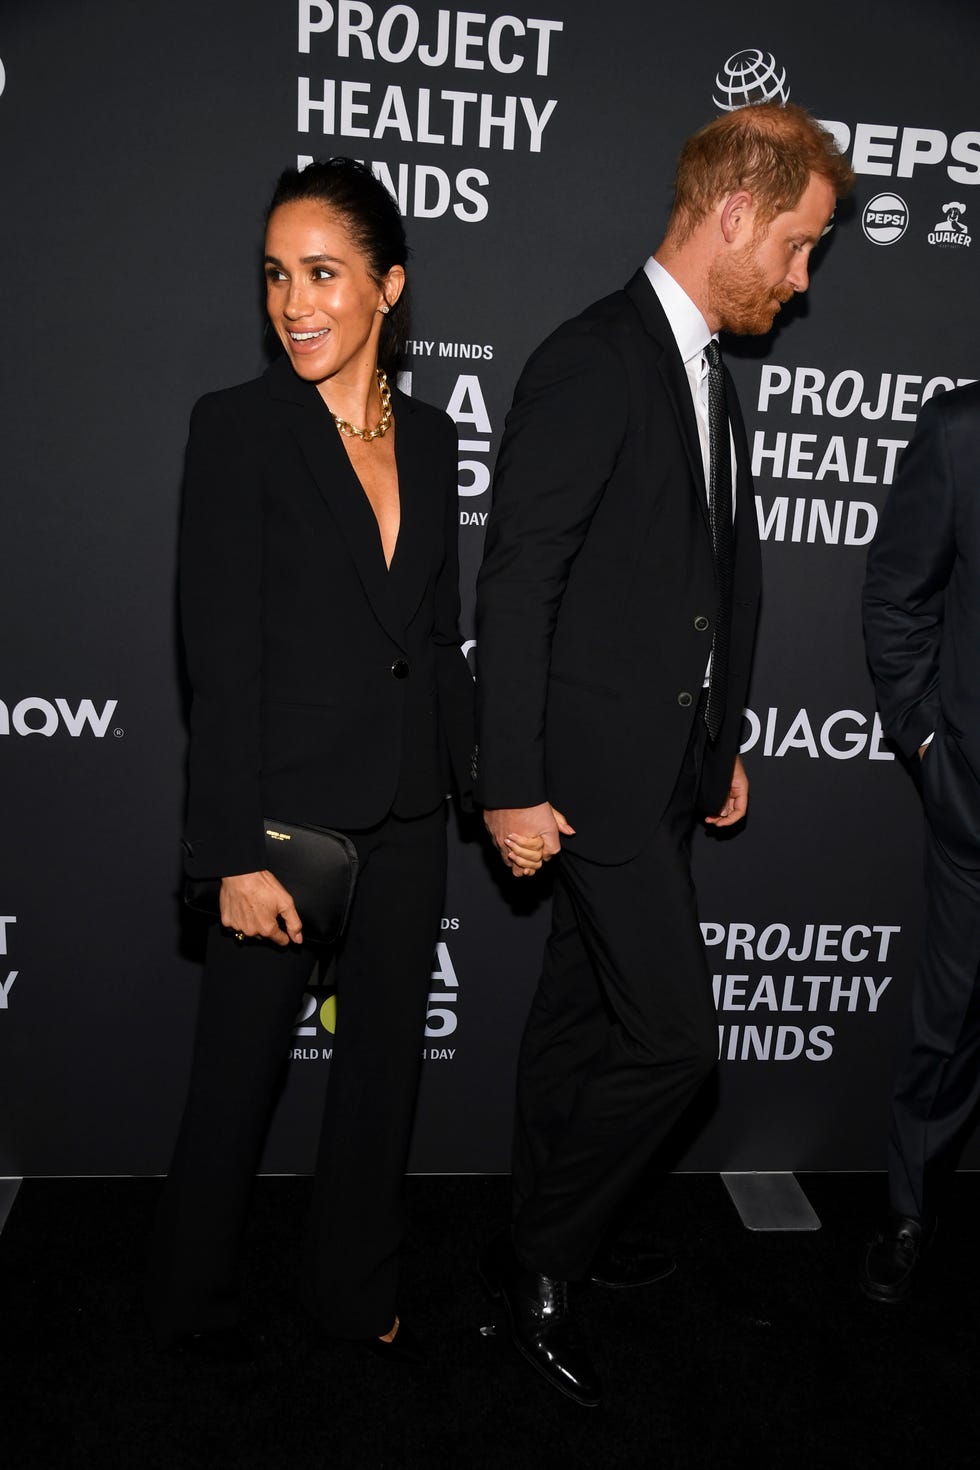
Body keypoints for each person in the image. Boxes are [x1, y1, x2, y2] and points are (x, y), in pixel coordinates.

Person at [474, 104, 854, 1405]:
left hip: (659, 773)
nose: (800, 279)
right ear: (735, 215)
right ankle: (540, 1256)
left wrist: (719, 735)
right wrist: (509, 783)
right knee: (677, 1043)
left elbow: (701, 583)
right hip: (582, 778)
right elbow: (518, 585)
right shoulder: (594, 360)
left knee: (577, 1013)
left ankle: (541, 1229)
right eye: (797, 246)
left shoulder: (703, 373)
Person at [145, 158, 542, 1364]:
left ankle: (350, 1285)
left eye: (321, 273)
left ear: (388, 287)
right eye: (276, 275)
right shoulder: (237, 428)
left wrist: (493, 789)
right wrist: (228, 854)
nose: (294, 303)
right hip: (280, 827)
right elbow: (217, 664)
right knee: (233, 1084)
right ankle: (186, 1306)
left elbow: (435, 642)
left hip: (409, 812)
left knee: (381, 1079)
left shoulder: (429, 437)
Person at [862, 380, 980, 1302]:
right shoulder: (961, 432)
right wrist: (934, 748)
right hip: (976, 804)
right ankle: (911, 1208)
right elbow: (898, 602)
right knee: (949, 1027)